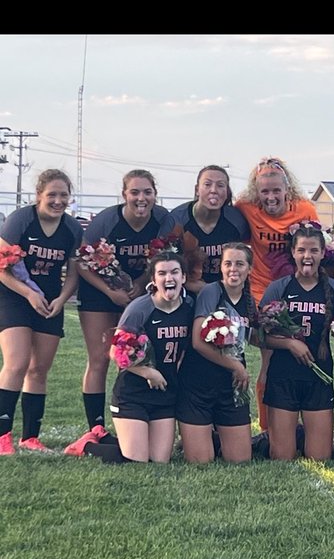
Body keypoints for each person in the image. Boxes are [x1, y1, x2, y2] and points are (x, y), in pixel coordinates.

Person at [65, 170, 176, 452]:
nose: (141, 198)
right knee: (101, 358)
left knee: (144, 353)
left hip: (143, 292)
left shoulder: (163, 219)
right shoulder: (106, 221)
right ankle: (95, 428)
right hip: (101, 293)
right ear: (124, 194)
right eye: (135, 192)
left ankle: (139, 417)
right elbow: (82, 262)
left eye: (147, 192)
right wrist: (109, 292)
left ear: (155, 193)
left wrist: (140, 285)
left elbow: (165, 257)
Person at [0, 170, 83, 454]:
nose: (58, 201)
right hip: (14, 296)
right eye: (52, 195)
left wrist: (61, 298)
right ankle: (2, 435)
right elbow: (2, 267)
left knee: (39, 370)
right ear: (39, 196)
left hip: (49, 301)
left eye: (63, 195)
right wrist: (28, 293)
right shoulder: (20, 220)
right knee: (17, 362)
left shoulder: (72, 228)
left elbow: (74, 272)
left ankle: (30, 437)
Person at [235, 156, 320, 431]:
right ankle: (267, 425)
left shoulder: (305, 208)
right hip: (261, 291)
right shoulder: (246, 207)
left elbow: (321, 244)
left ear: (287, 189)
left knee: (302, 353)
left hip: (297, 289)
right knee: (270, 360)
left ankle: (299, 417)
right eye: (264, 191)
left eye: (276, 190)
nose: (270, 197)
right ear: (255, 192)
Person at [259, 223, 334, 460]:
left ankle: (301, 434)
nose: (307, 256)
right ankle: (279, 437)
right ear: (293, 253)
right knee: (282, 457)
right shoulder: (279, 287)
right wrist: (289, 343)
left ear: (322, 253)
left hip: (318, 376)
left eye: (313, 251)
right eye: (301, 250)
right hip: (283, 376)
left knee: (320, 457)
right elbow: (259, 336)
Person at [101, 253, 194, 463]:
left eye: (174, 272)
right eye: (162, 273)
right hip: (133, 394)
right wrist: (147, 371)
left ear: (184, 278)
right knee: (138, 460)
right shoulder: (140, 308)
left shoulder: (189, 306)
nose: (168, 278)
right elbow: (115, 352)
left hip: (165, 393)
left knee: (159, 460)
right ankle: (88, 445)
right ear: (153, 279)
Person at [177, 242, 256, 463]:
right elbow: (197, 342)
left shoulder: (249, 300)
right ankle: (199, 435)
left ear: (249, 269)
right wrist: (236, 366)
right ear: (221, 267)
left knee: (240, 460)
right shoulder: (211, 291)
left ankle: (213, 435)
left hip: (230, 388)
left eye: (240, 264)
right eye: (228, 263)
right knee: (201, 461)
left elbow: (256, 337)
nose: (233, 269)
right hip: (198, 386)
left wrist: (287, 337)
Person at [169, 165, 250, 295]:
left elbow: (250, 252)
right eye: (207, 184)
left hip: (226, 291)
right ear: (197, 190)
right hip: (185, 291)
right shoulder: (177, 219)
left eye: (220, 185)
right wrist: (189, 284)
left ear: (227, 192)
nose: (214, 190)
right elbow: (164, 263)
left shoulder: (237, 219)